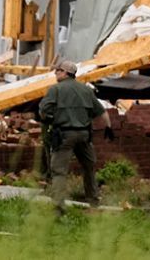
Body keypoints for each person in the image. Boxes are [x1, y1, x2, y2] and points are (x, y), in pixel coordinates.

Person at [39, 60, 112, 208]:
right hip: (84, 135)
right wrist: (109, 127)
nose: (55, 73)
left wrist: (51, 119)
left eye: (58, 70)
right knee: (89, 168)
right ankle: (93, 203)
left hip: (64, 135)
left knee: (59, 171)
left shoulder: (56, 89)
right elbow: (102, 111)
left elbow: (43, 111)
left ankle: (58, 206)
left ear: (66, 73)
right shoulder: (86, 90)